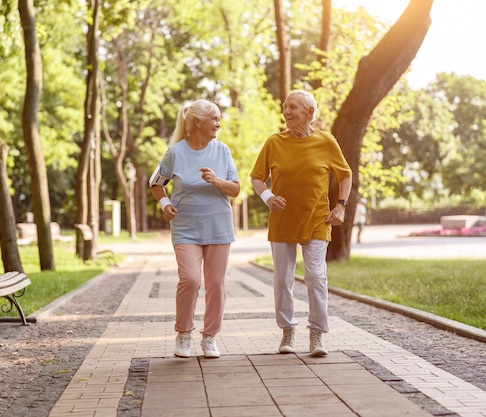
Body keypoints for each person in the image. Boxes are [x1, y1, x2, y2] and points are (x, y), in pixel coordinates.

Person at [250, 90, 352, 357]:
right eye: (285, 106)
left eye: (292, 107)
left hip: (317, 219)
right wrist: (268, 196)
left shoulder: (326, 142)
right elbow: (257, 178)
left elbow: (345, 175)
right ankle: (287, 331)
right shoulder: (274, 142)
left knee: (316, 276)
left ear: (309, 112)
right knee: (282, 280)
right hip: (282, 220)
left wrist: (341, 205)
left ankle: (317, 334)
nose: (286, 111)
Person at [149, 99, 240, 359]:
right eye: (214, 119)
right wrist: (165, 204)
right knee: (190, 279)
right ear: (198, 122)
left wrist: (217, 180)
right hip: (186, 227)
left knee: (216, 284)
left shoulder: (222, 150)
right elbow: (156, 183)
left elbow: (235, 189)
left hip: (218, 226)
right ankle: (184, 333)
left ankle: (209, 337)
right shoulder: (175, 153)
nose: (218, 124)